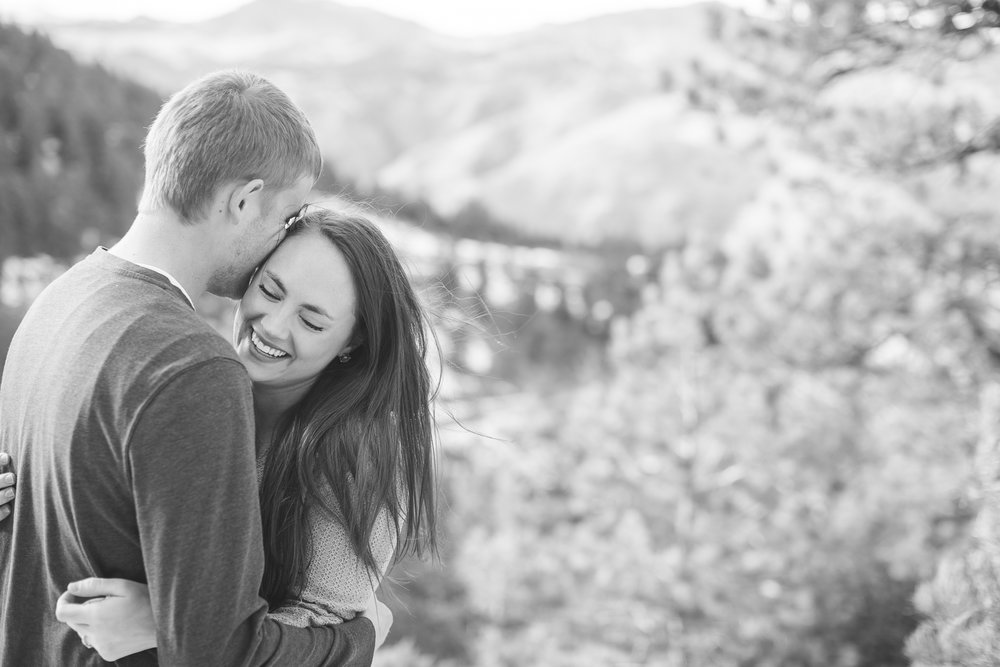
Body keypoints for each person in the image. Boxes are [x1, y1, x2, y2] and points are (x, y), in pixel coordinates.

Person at [0, 70, 380, 666]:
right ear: (244, 200)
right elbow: (219, 650)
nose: (281, 237)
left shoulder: (59, 302)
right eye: (285, 217)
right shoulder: (192, 370)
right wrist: (358, 640)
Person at [54, 209, 440, 659]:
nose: (273, 326)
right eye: (269, 291)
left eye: (312, 322)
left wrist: (162, 625)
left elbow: (317, 638)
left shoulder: (356, 456)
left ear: (352, 345)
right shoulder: (196, 385)